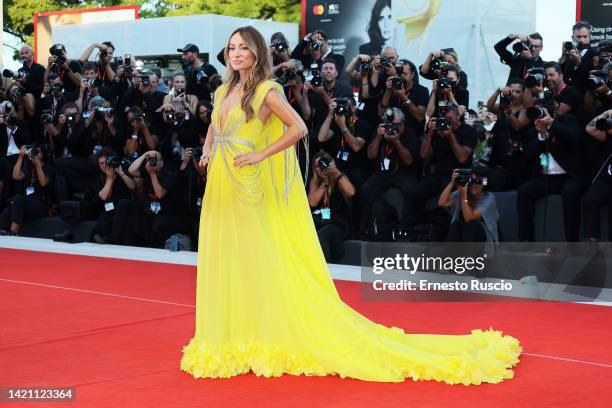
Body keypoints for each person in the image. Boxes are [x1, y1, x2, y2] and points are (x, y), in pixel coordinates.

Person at [180, 25, 521, 384]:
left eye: (243, 48)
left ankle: (265, 328)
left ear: (256, 54)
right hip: (222, 182)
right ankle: (236, 331)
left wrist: (259, 155)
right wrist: (206, 151)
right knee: (229, 255)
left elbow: (298, 128)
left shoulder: (267, 90)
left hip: (249, 184)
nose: (236, 54)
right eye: (232, 47)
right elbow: (215, 129)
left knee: (259, 255)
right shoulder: (223, 90)